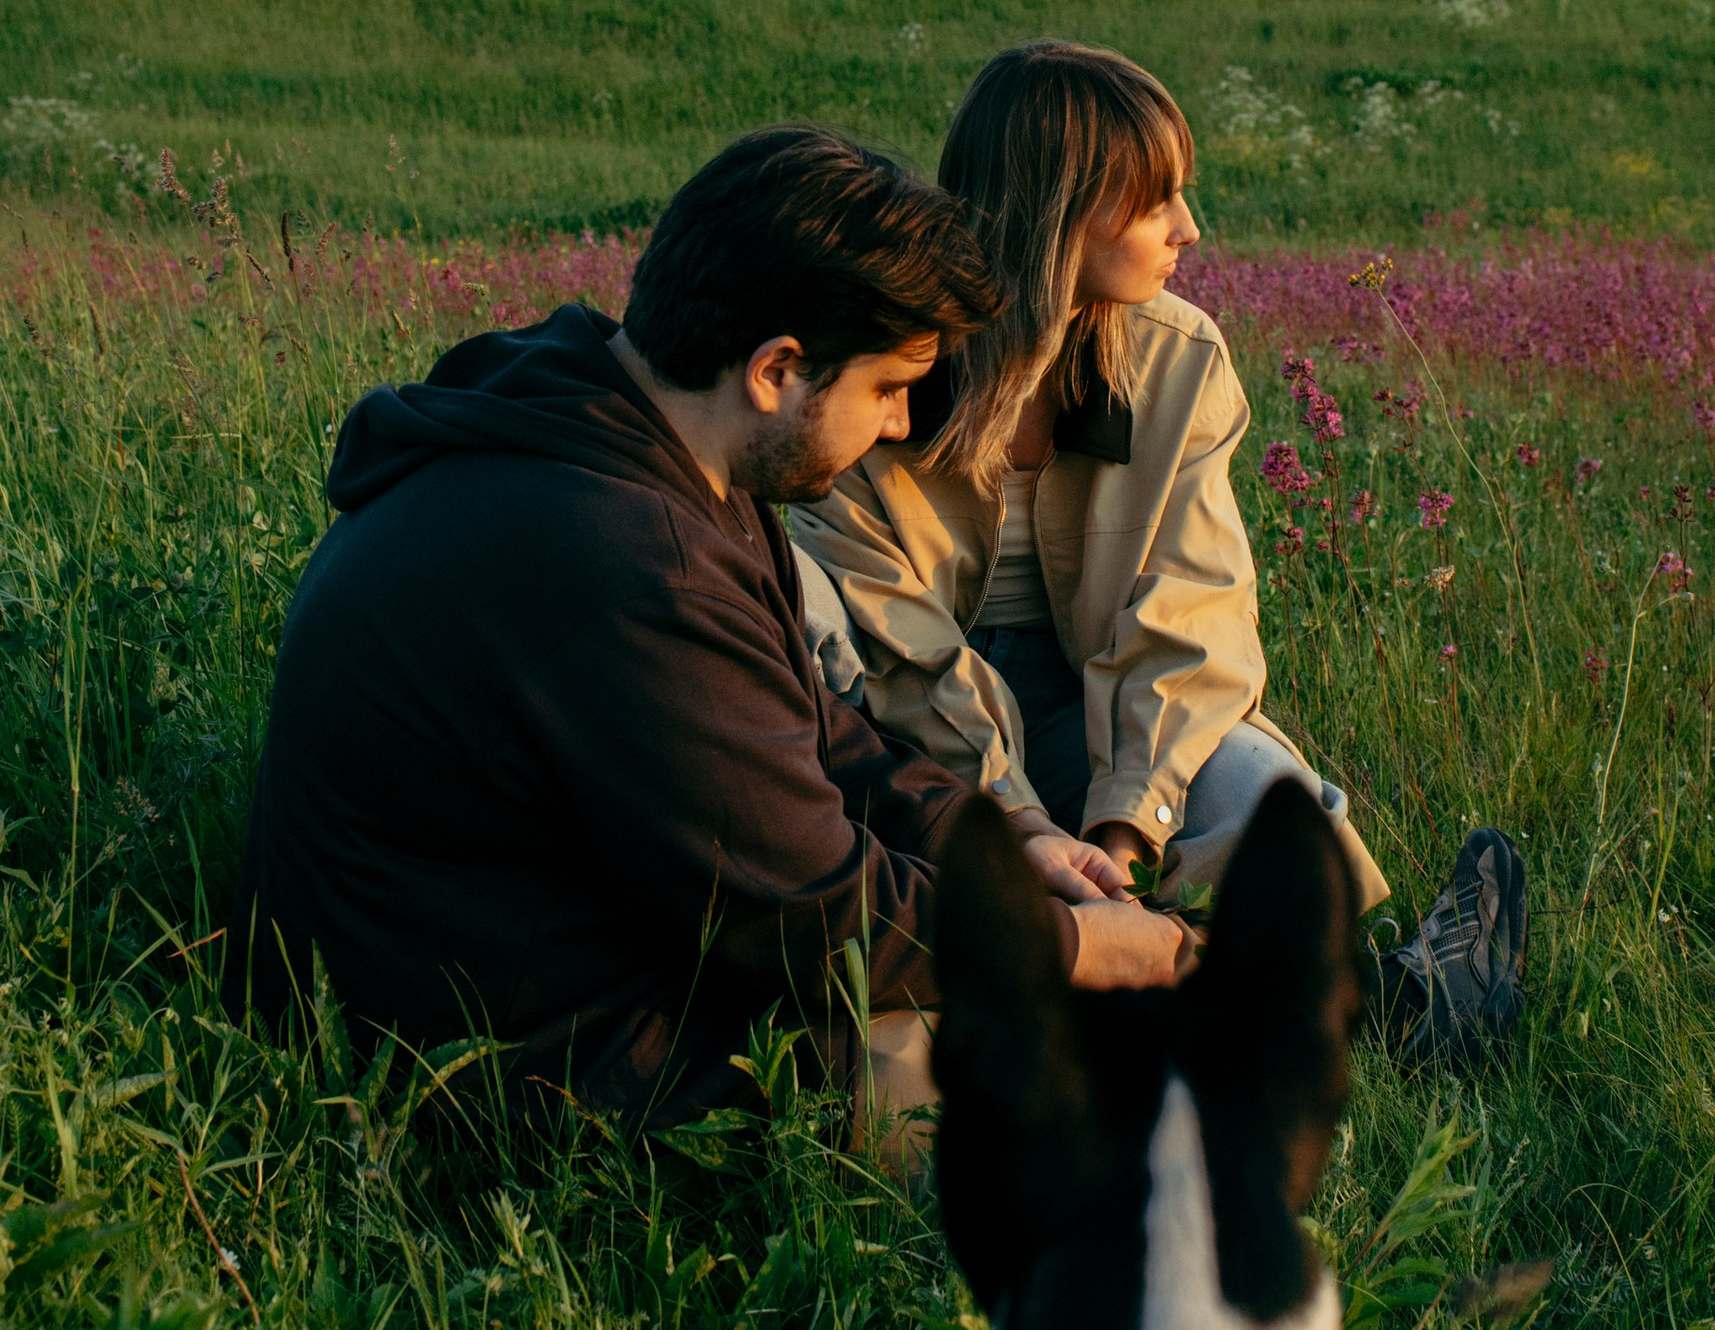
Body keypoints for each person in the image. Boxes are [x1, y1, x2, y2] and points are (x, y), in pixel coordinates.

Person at [234, 125, 1179, 1136]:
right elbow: (810, 913)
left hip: (548, 933)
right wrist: (1073, 949)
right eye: (888, 389)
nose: (901, 427)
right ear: (776, 369)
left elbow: (817, 735)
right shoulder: (631, 562)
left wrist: (1002, 838)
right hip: (483, 1047)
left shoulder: (612, 432)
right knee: (984, 1057)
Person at [788, 40, 1391, 934]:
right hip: (904, 725)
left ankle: (1368, 991)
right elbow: (894, 649)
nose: (1188, 229)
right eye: (1155, 202)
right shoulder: (875, 373)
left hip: (1100, 710)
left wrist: (1123, 833)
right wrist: (1020, 820)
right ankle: (1140, 963)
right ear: (1057, 215)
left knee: (1275, 809)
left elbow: (1191, 613)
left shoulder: (1177, 360)